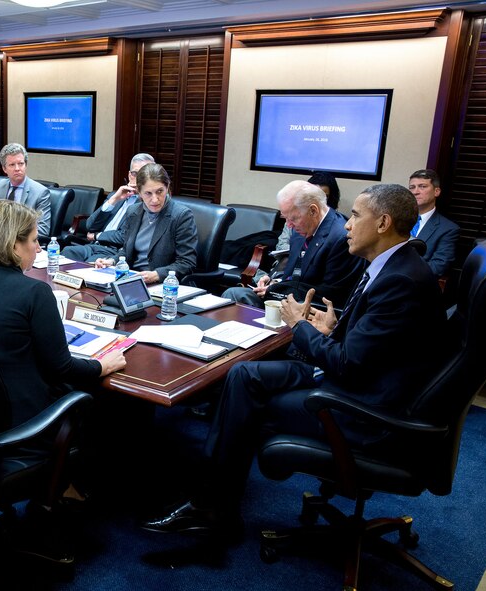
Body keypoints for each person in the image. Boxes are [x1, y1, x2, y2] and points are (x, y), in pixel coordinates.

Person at [141, 183, 447, 540]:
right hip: (358, 381)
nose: (347, 224)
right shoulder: (394, 265)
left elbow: (348, 365)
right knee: (243, 374)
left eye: (357, 216)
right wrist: (330, 329)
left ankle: (213, 505)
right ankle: (213, 499)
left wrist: (301, 326)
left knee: (248, 387)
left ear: (383, 223)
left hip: (363, 409)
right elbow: (371, 347)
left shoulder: (400, 279)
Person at [0, 199, 126, 425]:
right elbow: (63, 368)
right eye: (33, 240)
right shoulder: (35, 292)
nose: (39, 248)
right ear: (13, 246)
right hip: (24, 418)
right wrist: (102, 365)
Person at [223, 180, 364, 309]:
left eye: (293, 218)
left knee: (235, 296)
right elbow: (295, 270)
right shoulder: (301, 226)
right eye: (286, 219)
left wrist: (277, 290)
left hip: (309, 310)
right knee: (233, 294)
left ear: (313, 211)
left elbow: (330, 295)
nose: (289, 225)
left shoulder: (340, 238)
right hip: (285, 297)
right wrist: (274, 281)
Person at [93, 163, 198, 284]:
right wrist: (112, 261)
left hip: (165, 285)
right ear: (139, 192)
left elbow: (186, 262)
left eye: (160, 191)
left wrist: (156, 275)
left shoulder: (181, 215)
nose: (155, 199)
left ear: (167, 187)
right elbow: (127, 251)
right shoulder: (133, 212)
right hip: (132, 278)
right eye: (148, 193)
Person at [62, 153, 155, 262]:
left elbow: (125, 236)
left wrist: (98, 236)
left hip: (116, 251)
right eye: (135, 173)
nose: (139, 178)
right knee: (66, 253)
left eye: (143, 175)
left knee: (90, 266)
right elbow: (90, 225)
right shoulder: (116, 195)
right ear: (130, 175)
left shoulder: (149, 203)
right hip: (94, 246)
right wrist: (114, 199)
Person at [0, 143, 51, 236]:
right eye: (12, 165)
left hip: (22, 244)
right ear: (4, 169)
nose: (17, 169)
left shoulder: (40, 192)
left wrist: (9, 235)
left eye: (21, 164)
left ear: (26, 165)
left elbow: (43, 230)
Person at [275, 171, 342, 255]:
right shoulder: (295, 217)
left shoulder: (336, 227)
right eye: (313, 196)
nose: (317, 201)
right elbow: (281, 245)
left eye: (323, 197)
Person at [408, 169, 460, 277]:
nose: (415, 192)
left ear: (437, 191)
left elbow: (439, 266)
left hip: (415, 284)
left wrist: (402, 274)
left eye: (422, 186)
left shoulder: (448, 229)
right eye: (412, 187)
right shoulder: (396, 219)